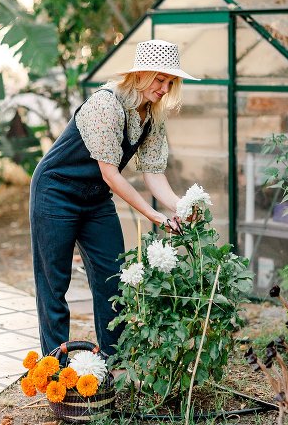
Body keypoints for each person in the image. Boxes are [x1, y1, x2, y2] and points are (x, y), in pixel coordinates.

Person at [29, 39, 199, 360]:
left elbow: (152, 172)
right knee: (54, 284)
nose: (165, 88)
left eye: (170, 82)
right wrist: (153, 215)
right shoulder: (105, 105)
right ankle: (55, 369)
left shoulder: (151, 115)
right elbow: (111, 174)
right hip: (56, 192)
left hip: (95, 200)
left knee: (113, 279)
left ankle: (114, 365)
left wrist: (179, 207)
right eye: (159, 80)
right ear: (139, 75)